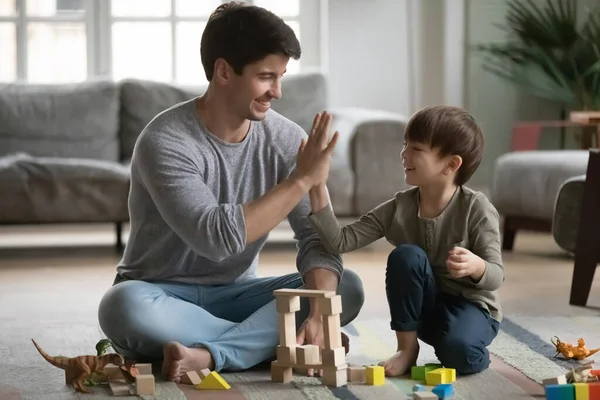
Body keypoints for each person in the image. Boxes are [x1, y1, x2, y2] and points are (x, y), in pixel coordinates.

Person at [97, 1, 364, 382]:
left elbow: (317, 239)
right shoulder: (164, 140)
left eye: (282, 76)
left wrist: (320, 309)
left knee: (344, 287)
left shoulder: (287, 140)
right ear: (223, 71)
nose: (278, 92)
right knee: (121, 307)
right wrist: (301, 181)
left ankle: (211, 353)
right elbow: (215, 238)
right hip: (160, 295)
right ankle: (274, 341)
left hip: (239, 296)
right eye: (266, 77)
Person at [307, 105, 504, 377]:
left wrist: (477, 266)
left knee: (460, 356)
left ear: (451, 164)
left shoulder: (477, 209)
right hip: (423, 312)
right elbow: (338, 241)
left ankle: (462, 342)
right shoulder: (399, 207)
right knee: (406, 256)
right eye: (405, 145)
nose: (404, 154)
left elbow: (496, 276)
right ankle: (407, 349)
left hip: (473, 309)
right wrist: (316, 183)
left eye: (416, 149)